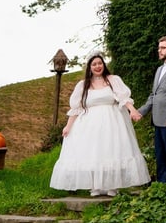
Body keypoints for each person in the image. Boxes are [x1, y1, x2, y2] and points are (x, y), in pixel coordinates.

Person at [50, 50, 150, 197]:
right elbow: (77, 108)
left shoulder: (113, 80)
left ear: (103, 64)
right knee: (94, 153)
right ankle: (95, 186)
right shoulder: (83, 85)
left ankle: (112, 186)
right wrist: (68, 126)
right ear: (89, 67)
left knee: (112, 151)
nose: (97, 66)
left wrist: (133, 111)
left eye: (100, 63)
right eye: (94, 64)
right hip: (90, 124)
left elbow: (123, 98)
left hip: (112, 122)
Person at [131, 35, 166, 185]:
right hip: (157, 119)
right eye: (159, 48)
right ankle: (160, 184)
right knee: (160, 154)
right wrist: (141, 112)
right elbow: (154, 95)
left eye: (163, 48)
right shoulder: (159, 69)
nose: (159, 50)